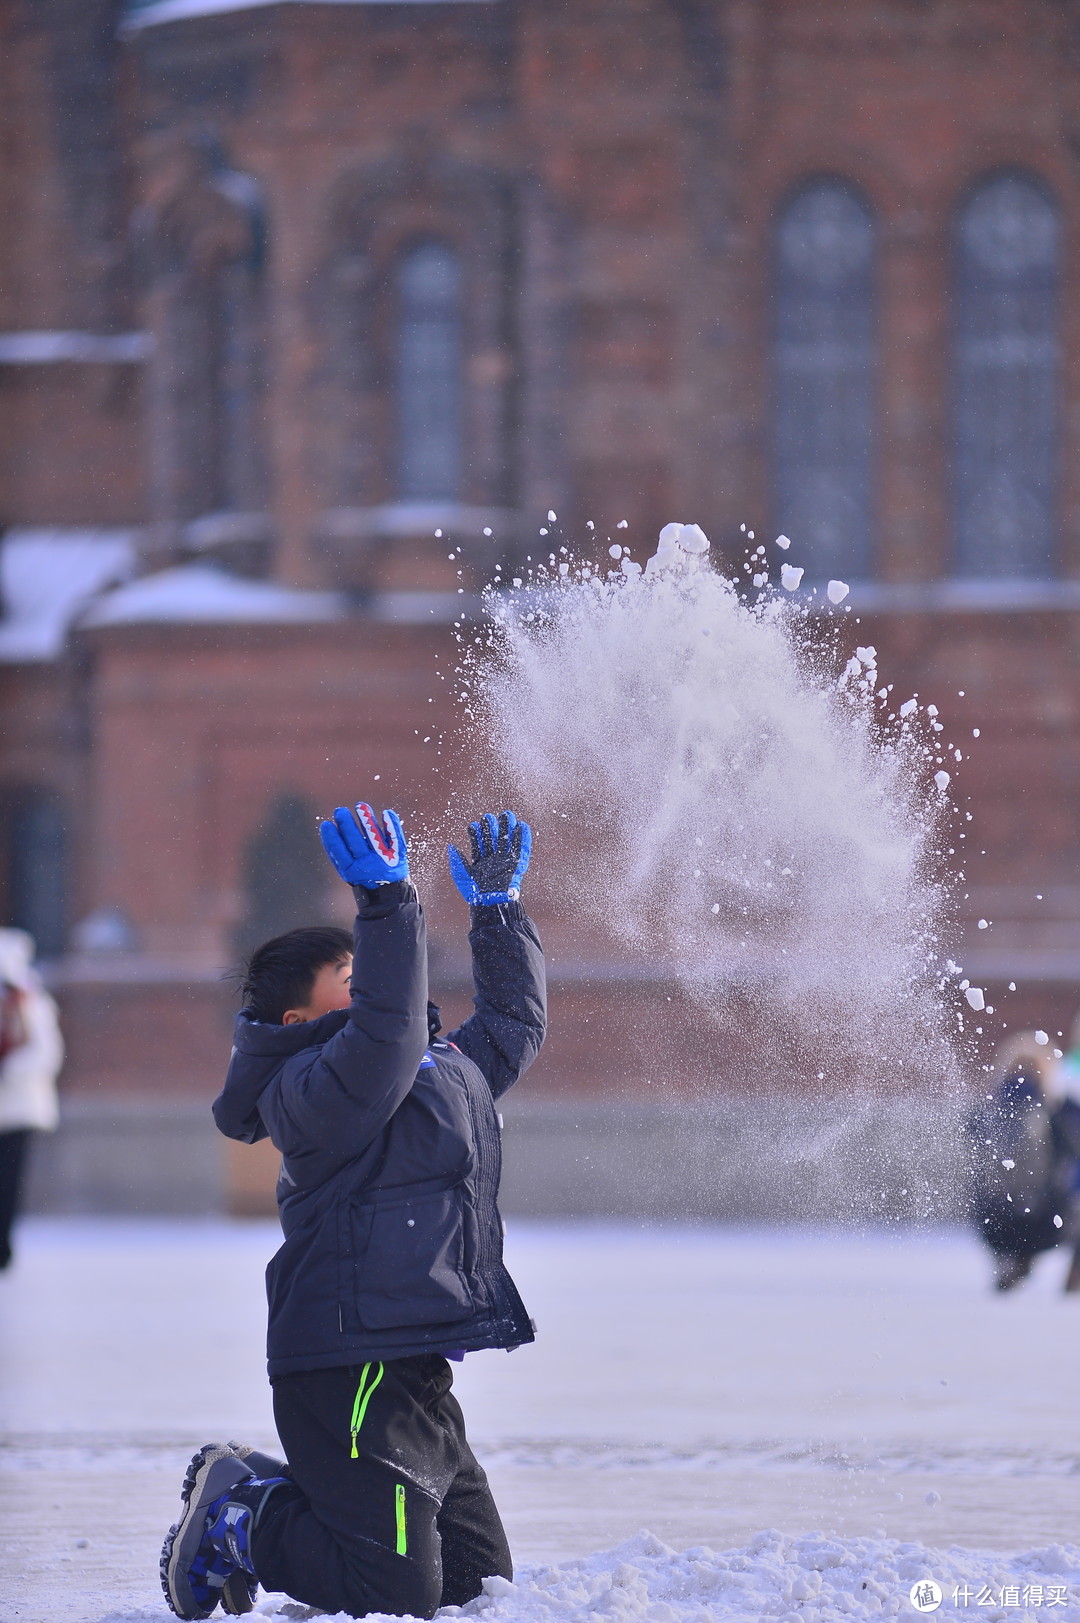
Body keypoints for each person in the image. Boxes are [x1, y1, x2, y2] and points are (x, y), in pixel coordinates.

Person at [160, 803, 545, 1621]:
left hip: (413, 1360)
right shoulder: (308, 1090)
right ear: (301, 1021)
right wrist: (386, 903)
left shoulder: (431, 1071)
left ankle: (270, 1484)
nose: (376, 985)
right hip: (346, 1360)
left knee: (480, 1588)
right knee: (394, 1594)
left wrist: (497, 916)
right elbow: (388, 1030)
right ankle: (242, 1519)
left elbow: (511, 1028)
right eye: (353, 979)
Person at [965, 1032, 1080, 1292]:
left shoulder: (985, 1110)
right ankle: (1074, 1277)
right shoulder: (1059, 1110)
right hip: (1047, 1223)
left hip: (993, 1226)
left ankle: (1011, 1260)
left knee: (1002, 1200)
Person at [0, 928, 63, 1271]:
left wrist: (8, 1072)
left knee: (8, 1185)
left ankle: (2, 1248)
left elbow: (45, 1053)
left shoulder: (32, 1004)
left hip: (19, 1110)